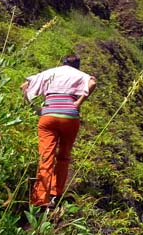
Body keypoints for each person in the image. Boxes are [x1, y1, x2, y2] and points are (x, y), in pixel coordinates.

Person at [21, 54, 97, 208]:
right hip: (70, 116)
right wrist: (78, 103)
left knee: (46, 157)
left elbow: (24, 86)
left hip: (48, 117)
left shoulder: (51, 72)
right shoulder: (79, 74)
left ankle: (39, 199)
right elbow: (93, 82)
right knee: (63, 156)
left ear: (63, 63)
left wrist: (34, 108)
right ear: (77, 65)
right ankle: (56, 193)